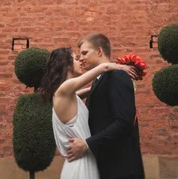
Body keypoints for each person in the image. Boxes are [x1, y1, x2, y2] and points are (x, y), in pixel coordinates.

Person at [39, 47, 137, 179]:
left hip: (82, 160)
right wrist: (121, 68)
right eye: (75, 58)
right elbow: (104, 68)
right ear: (66, 64)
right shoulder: (65, 89)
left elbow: (89, 90)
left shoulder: (67, 95)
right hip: (81, 165)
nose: (80, 61)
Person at [67, 33, 145, 179]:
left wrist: (87, 145)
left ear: (99, 51)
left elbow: (124, 122)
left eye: (85, 52)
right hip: (107, 167)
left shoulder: (117, 76)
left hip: (122, 169)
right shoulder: (98, 80)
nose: (81, 58)